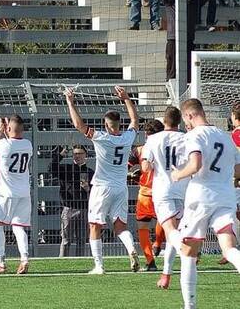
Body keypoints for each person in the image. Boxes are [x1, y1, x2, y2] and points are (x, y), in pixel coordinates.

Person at [170, 98, 240, 309]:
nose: (186, 125)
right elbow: (238, 170)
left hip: (200, 195)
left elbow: (195, 164)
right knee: (228, 248)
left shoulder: (193, 135)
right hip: (226, 194)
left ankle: (189, 306)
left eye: (186, 120)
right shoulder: (225, 137)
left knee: (188, 251)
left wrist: (177, 175)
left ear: (189, 115)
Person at [65, 85, 140, 274]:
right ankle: (131, 250)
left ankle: (99, 266)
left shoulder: (101, 138)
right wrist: (126, 98)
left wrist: (70, 102)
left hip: (102, 188)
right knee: (120, 226)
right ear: (120, 125)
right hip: (121, 188)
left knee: (94, 225)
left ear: (106, 125)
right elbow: (135, 120)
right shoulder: (127, 138)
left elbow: (79, 126)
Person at [141, 106, 188, 289]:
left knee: (171, 233)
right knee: (171, 234)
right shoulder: (187, 138)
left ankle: (187, 249)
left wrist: (149, 163)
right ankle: (166, 275)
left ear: (164, 120)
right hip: (183, 189)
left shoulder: (152, 139)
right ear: (180, 121)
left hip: (163, 191)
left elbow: (145, 167)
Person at [0, 115, 33, 274]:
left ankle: (1, 262)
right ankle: (24, 259)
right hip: (24, 193)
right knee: (19, 227)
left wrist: (0, 129)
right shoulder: (28, 145)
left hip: (5, 194)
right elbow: (13, 143)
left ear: (7, 128)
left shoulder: (4, 145)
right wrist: (6, 131)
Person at [132, 119, 165, 271]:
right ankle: (158, 242)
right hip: (163, 191)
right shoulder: (167, 148)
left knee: (142, 226)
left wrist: (132, 175)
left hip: (145, 193)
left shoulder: (140, 150)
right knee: (165, 220)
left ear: (146, 134)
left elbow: (127, 166)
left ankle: (150, 261)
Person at [50, 144, 94, 257]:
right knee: (66, 240)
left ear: (86, 155)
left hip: (84, 209)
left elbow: (96, 191)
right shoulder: (65, 169)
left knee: (82, 240)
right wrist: (60, 155)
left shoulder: (90, 172)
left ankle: (80, 262)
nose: (77, 156)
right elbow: (51, 168)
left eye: (80, 154)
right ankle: (63, 262)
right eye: (75, 154)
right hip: (68, 208)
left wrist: (88, 189)